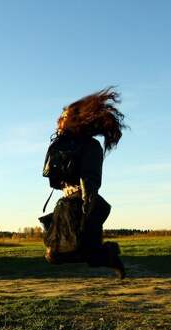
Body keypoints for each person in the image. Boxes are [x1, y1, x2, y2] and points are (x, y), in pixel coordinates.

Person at [41, 87, 126, 279]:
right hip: (66, 203)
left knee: (86, 253)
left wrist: (88, 199)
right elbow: (53, 178)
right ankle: (107, 253)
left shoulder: (90, 146)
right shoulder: (60, 144)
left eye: (63, 116)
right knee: (54, 255)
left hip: (83, 202)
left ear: (75, 121)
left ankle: (109, 254)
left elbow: (90, 175)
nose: (58, 120)